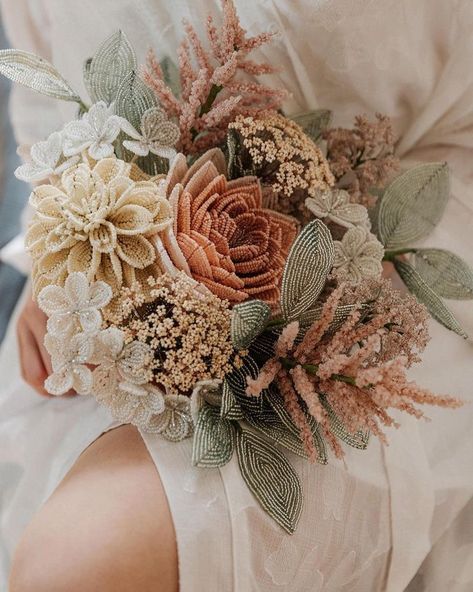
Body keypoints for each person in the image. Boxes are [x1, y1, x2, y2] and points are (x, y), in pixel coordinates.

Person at [0, 1, 472, 590]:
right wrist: (56, 247)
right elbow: (47, 82)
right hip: (111, 289)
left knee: (81, 561)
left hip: (378, 287)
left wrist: (303, 286)